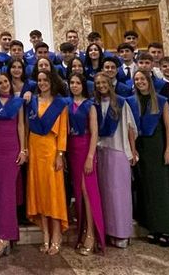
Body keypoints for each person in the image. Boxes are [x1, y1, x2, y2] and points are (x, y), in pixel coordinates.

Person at [128, 71, 169, 247]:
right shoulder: (131, 101)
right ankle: (154, 227)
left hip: (158, 147)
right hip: (141, 148)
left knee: (163, 188)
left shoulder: (161, 100)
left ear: (149, 81)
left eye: (142, 79)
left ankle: (168, 228)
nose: (140, 82)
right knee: (147, 189)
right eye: (137, 79)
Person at [26, 69, 68, 256]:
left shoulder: (60, 104)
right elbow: (27, 127)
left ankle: (56, 235)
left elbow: (63, 132)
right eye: (39, 80)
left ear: (52, 82)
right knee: (40, 192)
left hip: (51, 150)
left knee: (53, 193)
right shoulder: (32, 101)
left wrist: (60, 154)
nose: (42, 83)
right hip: (35, 149)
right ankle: (45, 235)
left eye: (45, 80)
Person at [94, 72, 137, 248]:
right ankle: (110, 231)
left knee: (120, 194)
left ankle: (122, 233)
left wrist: (133, 150)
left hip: (118, 150)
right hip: (101, 151)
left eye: (104, 82)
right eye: (98, 83)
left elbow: (130, 128)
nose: (101, 86)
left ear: (110, 84)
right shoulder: (95, 104)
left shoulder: (120, 102)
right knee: (106, 195)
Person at [0, 72, 27, 256]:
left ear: (10, 83)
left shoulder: (17, 102)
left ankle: (5, 236)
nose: (3, 84)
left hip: (12, 150)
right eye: (0, 82)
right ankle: (2, 235)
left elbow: (21, 126)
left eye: (5, 81)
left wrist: (23, 150)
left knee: (8, 194)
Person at [65, 73, 105, 255]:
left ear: (83, 85)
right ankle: (83, 230)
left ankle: (92, 233)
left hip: (86, 148)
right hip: (72, 149)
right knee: (79, 193)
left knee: (87, 191)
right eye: (72, 83)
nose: (74, 86)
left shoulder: (90, 105)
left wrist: (90, 156)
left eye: (78, 83)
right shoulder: (67, 104)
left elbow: (95, 132)